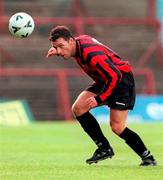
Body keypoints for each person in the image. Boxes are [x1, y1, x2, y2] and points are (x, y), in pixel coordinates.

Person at [46, 25, 157, 166]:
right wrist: (57, 50)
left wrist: (99, 98)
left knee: (117, 127)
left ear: (71, 41)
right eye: (57, 47)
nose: (60, 51)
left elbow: (115, 76)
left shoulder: (91, 54)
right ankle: (104, 148)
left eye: (61, 46)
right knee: (78, 108)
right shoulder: (76, 44)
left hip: (121, 80)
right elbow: (106, 72)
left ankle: (148, 158)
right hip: (104, 79)